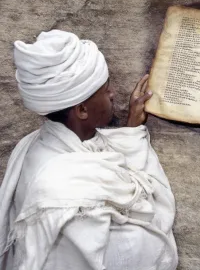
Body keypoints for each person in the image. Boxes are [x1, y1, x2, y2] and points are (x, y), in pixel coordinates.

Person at [0, 30, 178, 270]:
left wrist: (131, 127)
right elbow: (138, 253)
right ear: (82, 110)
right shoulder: (65, 202)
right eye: (106, 90)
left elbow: (97, 150)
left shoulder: (38, 142)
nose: (114, 94)